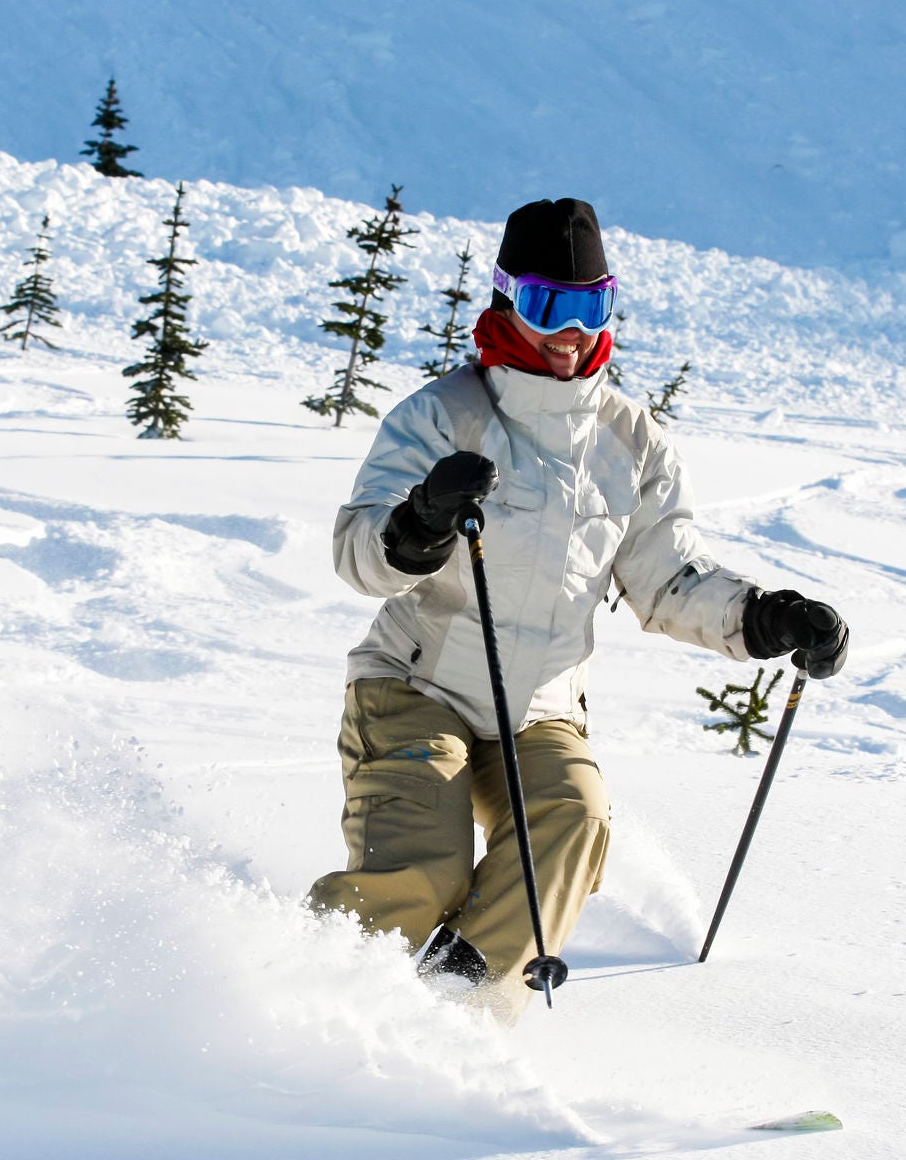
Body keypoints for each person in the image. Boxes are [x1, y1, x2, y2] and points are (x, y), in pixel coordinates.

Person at [308, 197, 848, 1018]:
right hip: (417, 689)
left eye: (589, 306)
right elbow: (358, 551)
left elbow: (668, 580)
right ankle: (305, 1000)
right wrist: (419, 523)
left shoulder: (631, 442)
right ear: (505, 300)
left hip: (541, 710)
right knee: (425, 869)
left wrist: (765, 615)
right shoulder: (442, 417)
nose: (568, 331)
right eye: (546, 305)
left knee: (575, 821)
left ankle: (454, 1012)